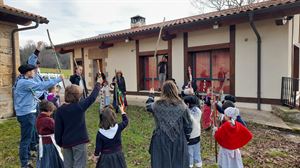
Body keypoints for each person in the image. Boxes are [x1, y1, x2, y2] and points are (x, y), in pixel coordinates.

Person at [13, 64, 63, 168]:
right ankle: (24, 163)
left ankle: (27, 157)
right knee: (25, 139)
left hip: (27, 112)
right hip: (26, 114)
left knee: (28, 136)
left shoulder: (25, 81)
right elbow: (40, 86)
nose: (34, 72)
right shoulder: (24, 82)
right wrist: (57, 79)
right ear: (28, 72)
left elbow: (38, 91)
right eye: (32, 70)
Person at [55, 75, 103, 168]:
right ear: (76, 97)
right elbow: (92, 98)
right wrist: (98, 83)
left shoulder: (60, 110)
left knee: (67, 165)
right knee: (79, 165)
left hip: (66, 142)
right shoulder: (79, 107)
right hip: (79, 142)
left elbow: (57, 129)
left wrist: (60, 142)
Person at [146, 81, 192, 168]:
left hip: (161, 139)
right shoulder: (182, 105)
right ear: (175, 90)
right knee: (179, 164)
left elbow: (148, 106)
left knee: (161, 164)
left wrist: (151, 96)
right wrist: (186, 138)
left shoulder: (157, 105)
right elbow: (188, 125)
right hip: (178, 140)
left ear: (163, 91)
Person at [36, 100, 64, 168]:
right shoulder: (49, 120)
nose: (51, 113)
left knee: (44, 159)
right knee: (50, 160)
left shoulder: (38, 119)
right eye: (51, 111)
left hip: (42, 143)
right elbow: (57, 130)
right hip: (50, 144)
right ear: (48, 110)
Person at [183, 95, 203, 168]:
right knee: (197, 152)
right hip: (197, 135)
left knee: (189, 154)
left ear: (187, 104)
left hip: (190, 137)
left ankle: (190, 165)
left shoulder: (187, 113)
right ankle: (199, 165)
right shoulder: (198, 110)